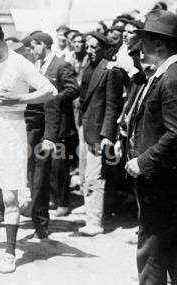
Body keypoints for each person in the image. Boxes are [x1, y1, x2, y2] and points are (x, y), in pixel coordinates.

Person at [0, 21, 57, 274]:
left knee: (10, 195)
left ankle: (10, 252)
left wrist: (20, 99)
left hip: (11, 130)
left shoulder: (21, 64)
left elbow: (51, 90)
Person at [125, 10, 177, 284]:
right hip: (162, 178)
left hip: (160, 178)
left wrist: (143, 161)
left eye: (143, 40)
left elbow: (175, 133)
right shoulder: (164, 73)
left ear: (159, 44)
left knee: (152, 247)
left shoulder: (170, 77)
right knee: (167, 247)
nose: (139, 47)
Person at [28, 32, 80, 235]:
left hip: (58, 127)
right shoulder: (37, 66)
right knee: (38, 170)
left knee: (54, 168)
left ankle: (52, 210)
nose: (32, 51)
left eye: (34, 46)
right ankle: (42, 210)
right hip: (37, 126)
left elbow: (73, 88)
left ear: (43, 45)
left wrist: (56, 97)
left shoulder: (60, 65)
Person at [77, 32, 124, 236]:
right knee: (86, 174)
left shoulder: (110, 70)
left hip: (98, 131)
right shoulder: (88, 68)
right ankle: (90, 215)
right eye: (88, 47)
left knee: (95, 176)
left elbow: (113, 106)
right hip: (85, 128)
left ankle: (95, 221)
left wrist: (107, 134)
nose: (89, 51)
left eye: (94, 47)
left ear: (103, 48)